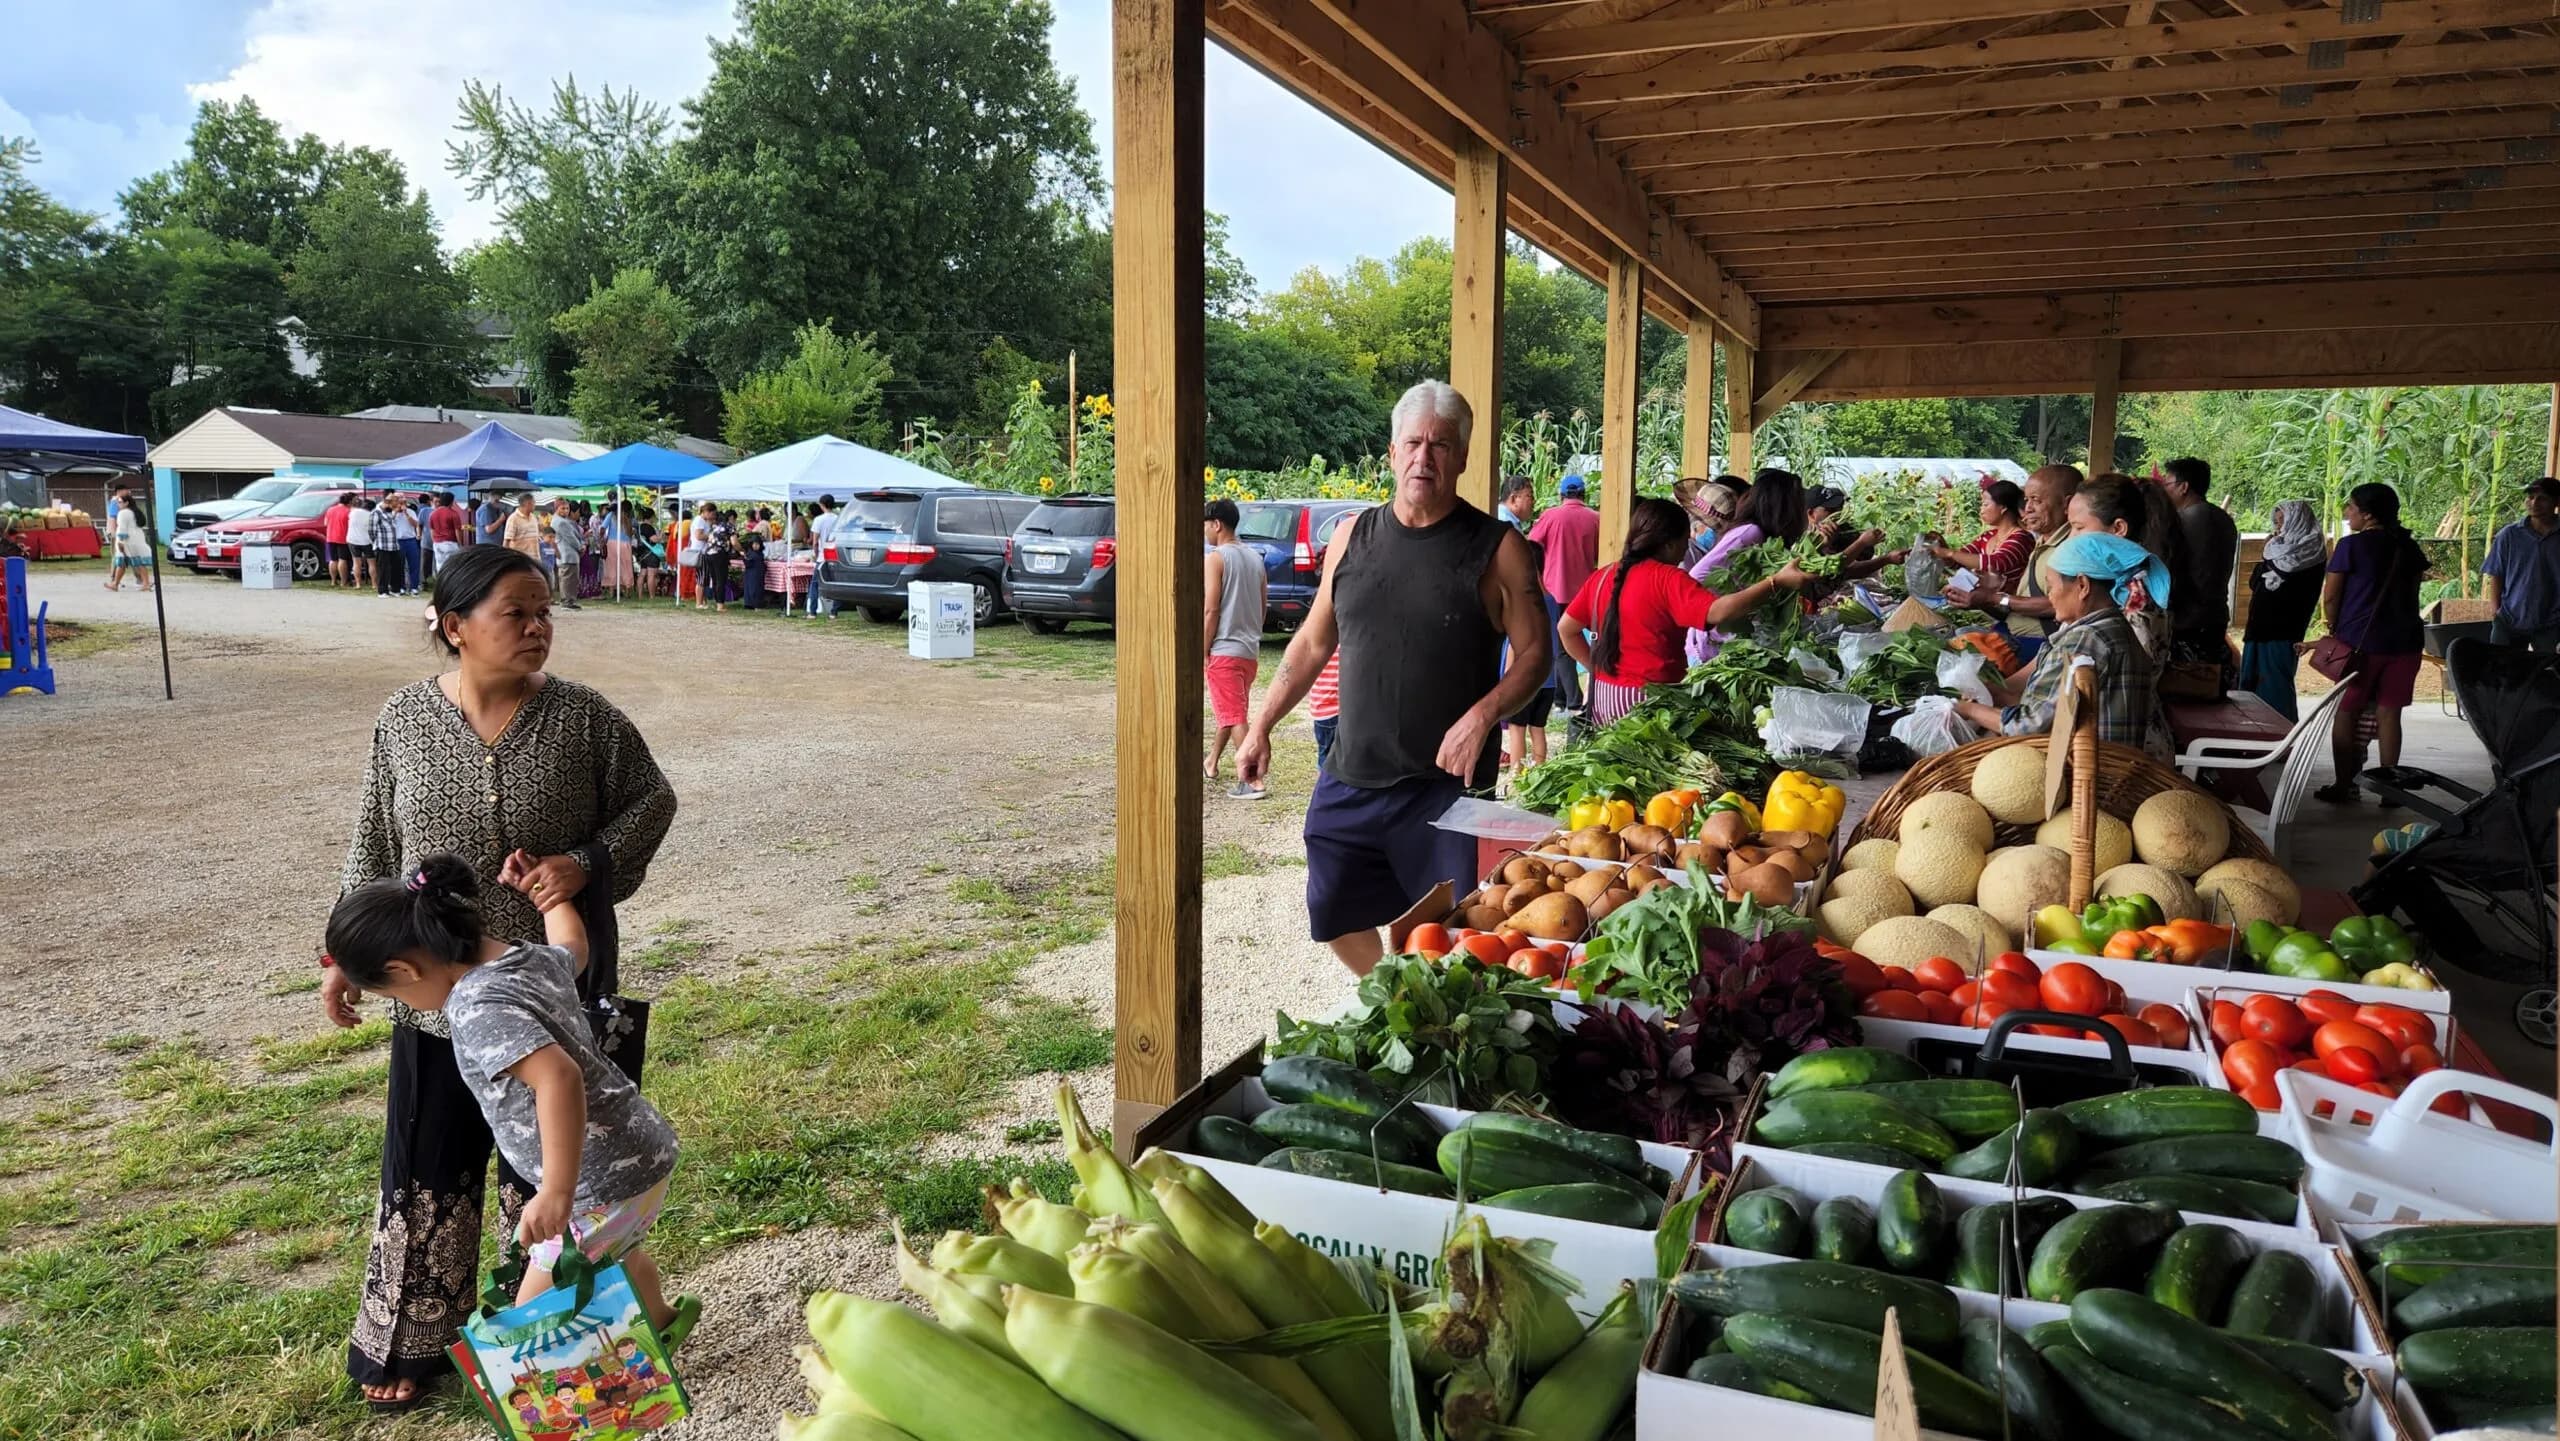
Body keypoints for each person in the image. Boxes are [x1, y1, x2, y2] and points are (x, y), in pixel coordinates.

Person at [317, 545, 675, 1410]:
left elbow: (652, 800)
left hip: (554, 985)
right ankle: (408, 1340)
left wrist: (584, 865)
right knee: (426, 1165)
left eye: (544, 610)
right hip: (438, 997)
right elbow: (374, 840)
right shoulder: (401, 718)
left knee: (567, 1173)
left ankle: (571, 1341)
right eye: (516, 612)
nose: (538, 627)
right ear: (453, 625)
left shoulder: (586, 719)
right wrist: (343, 958)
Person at [324, 853, 698, 1362]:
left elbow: (557, 1077)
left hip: (595, 1183)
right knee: (615, 1256)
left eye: (395, 996)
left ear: (403, 970)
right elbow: (572, 946)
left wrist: (556, 1191)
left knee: (538, 1310)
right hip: (637, 1151)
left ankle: (566, 1405)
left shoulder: (479, 1006)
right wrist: (553, 898)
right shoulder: (526, 959)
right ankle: (660, 1325)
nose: (407, 1005)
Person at [1233, 380, 1550, 975]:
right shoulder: (1353, 536)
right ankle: (1391, 991)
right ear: (1392, 454)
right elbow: (1313, 639)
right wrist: (1261, 724)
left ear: (1460, 457)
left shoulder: (1497, 546)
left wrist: (1483, 716)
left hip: (1445, 788)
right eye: (1413, 443)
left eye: (1440, 445)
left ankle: (1432, 1010)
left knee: (1454, 930)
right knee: (1330, 907)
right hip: (1351, 772)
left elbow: (1536, 656)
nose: (1424, 458)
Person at [1563, 497, 1810, 724]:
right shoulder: (1668, 579)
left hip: (1604, 698)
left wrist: (1595, 668)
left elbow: (1566, 630)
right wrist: (1775, 582)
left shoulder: (1604, 575)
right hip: (1651, 702)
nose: (1686, 548)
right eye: (1684, 541)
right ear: (1670, 543)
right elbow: (1719, 611)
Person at [1955, 531, 2169, 757]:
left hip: (2090, 775)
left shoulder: (2087, 639)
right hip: (2114, 766)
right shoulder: (2113, 627)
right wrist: (1993, 694)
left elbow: (2028, 725)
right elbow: (2049, 707)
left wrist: (1969, 709)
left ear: (2083, 585)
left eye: (2052, 586)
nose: (2051, 597)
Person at [2317, 482, 2430, 805]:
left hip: (2360, 643)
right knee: (2389, 714)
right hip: (2406, 641)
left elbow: (2331, 594)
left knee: (2347, 711)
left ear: (2367, 514)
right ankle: (2391, 790)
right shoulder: (2408, 548)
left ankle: (2343, 785)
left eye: (2351, 507)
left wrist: (2334, 625)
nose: (2347, 512)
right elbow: (2412, 593)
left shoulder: (2351, 547)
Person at [1944, 464, 2081, 664]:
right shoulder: (2042, 542)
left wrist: (1995, 597)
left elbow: (2059, 604)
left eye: (2037, 500)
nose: (2027, 508)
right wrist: (1982, 598)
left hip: (2038, 646)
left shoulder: (2071, 547)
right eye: (2026, 500)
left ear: (2066, 503)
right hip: (2012, 634)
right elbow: (2010, 606)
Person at [2065, 475, 2176, 661]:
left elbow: (2130, 672)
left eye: (2078, 528)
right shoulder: (2101, 581)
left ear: (2118, 528)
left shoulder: (2137, 596)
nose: (2070, 539)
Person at [2237, 499, 2330, 721]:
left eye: (2283, 522)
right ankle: (2250, 737)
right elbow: (2256, 583)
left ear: (2297, 521)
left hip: (2283, 630)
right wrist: (2266, 554)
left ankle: (2280, 738)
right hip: (2259, 628)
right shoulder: (2277, 547)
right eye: (2277, 522)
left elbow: (2286, 585)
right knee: (2249, 686)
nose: (2279, 528)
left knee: (2275, 685)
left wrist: (2268, 557)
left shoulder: (2310, 551)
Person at [1203, 499, 1270, 795]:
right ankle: (1212, 761)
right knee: (1231, 710)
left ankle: (1251, 780)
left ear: (1216, 524)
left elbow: (1211, 610)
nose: (1205, 531)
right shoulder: (1256, 558)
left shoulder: (1216, 558)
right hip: (1249, 652)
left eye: (1206, 525)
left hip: (1224, 651)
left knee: (1233, 715)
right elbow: (1263, 605)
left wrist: (1203, 648)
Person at [1525, 473, 1599, 718]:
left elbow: (1531, 545)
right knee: (1594, 638)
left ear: (1561, 495)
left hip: (1556, 590)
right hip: (1587, 591)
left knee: (1561, 645)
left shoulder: (1550, 516)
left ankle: (1573, 700)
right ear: (1584, 495)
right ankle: (1566, 695)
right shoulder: (1595, 518)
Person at [2161, 456, 2240, 667]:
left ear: (2184, 487)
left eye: (2167, 484)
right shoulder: (2224, 519)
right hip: (2216, 616)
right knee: (2206, 683)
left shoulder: (2183, 521)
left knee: (2185, 683)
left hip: (2187, 620)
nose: (2164, 490)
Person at [2482, 476, 2560, 652]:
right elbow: (2496, 574)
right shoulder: (2509, 536)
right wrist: (2496, 612)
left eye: (2542, 498)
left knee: (2546, 674)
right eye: (2530, 497)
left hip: (2551, 623)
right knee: (2502, 672)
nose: (2534, 502)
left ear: (2556, 502)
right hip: (2509, 621)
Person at [1923, 479, 2035, 590]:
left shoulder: (2021, 538)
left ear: (2003, 508)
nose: (1981, 510)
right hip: (1984, 603)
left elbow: (1995, 563)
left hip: (2011, 604)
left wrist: (1949, 553)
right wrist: (1941, 549)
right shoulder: (1987, 536)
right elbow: (1959, 561)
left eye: (1985, 505)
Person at [104, 487, 154, 592]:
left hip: (128, 541)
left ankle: (145, 583)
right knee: (124, 563)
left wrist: (121, 542)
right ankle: (116, 584)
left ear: (126, 503)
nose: (118, 504)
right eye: (117, 502)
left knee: (136, 562)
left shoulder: (123, 513)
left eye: (120, 502)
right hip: (137, 540)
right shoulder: (134, 512)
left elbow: (122, 528)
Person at [694, 503, 736, 613]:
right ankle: (716, 605)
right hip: (712, 554)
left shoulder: (712, 526)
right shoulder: (726, 527)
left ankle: (709, 602)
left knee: (712, 579)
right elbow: (698, 536)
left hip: (708, 553)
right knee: (716, 579)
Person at [548, 501, 585, 611]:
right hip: (567, 553)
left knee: (568, 578)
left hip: (566, 554)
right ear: (557, 509)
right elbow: (571, 538)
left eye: (567, 508)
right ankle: (567, 601)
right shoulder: (561, 522)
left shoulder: (557, 520)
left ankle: (568, 601)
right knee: (568, 578)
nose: (566, 511)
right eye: (563, 508)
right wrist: (580, 547)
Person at [1308, 653, 1342, 773]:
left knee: (1325, 752)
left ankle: (1323, 783)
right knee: (1338, 755)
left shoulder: (1318, 647)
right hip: (1338, 709)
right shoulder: (1343, 645)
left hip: (1321, 711)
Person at [390, 494, 424, 595]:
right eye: (400, 503)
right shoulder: (392, 513)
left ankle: (414, 587)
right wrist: (395, 513)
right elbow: (388, 524)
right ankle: (401, 587)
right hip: (398, 541)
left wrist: (406, 514)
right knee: (399, 565)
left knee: (414, 564)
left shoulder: (411, 512)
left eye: (404, 503)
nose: (402, 505)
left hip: (411, 540)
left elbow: (415, 524)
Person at [428, 493, 466, 579]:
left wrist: (434, 541)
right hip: (450, 542)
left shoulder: (433, 513)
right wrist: (460, 544)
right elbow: (457, 531)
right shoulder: (453, 514)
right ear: (451, 501)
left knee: (440, 565)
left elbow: (432, 530)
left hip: (437, 542)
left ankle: (441, 583)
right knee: (452, 566)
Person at [372, 499, 404, 598]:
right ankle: (382, 591)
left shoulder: (388, 513)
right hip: (382, 545)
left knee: (396, 568)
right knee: (383, 569)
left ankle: (395, 589)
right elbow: (371, 529)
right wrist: (375, 541)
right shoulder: (376, 513)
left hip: (394, 545)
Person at [738, 509, 768, 611]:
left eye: (757, 544)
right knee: (749, 589)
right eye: (754, 544)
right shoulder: (751, 553)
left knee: (757, 590)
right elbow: (747, 562)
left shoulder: (759, 554)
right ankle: (749, 604)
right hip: (750, 574)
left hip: (757, 576)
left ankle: (757, 604)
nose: (756, 546)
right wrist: (744, 557)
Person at [346, 495, 377, 592]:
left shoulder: (353, 512)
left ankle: (358, 583)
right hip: (367, 541)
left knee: (356, 562)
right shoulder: (371, 516)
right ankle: (374, 584)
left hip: (353, 540)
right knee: (371, 563)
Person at [504, 494, 545, 564]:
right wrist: (507, 560)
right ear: (528, 503)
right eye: (534, 503)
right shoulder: (513, 519)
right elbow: (506, 541)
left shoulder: (533, 517)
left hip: (535, 559)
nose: (535, 505)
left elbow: (537, 535)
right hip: (520, 560)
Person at [326, 492, 355, 586]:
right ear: (349, 502)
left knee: (333, 560)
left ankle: (333, 581)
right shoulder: (348, 511)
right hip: (342, 537)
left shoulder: (330, 509)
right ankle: (343, 581)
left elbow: (325, 523)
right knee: (342, 559)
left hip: (330, 537)